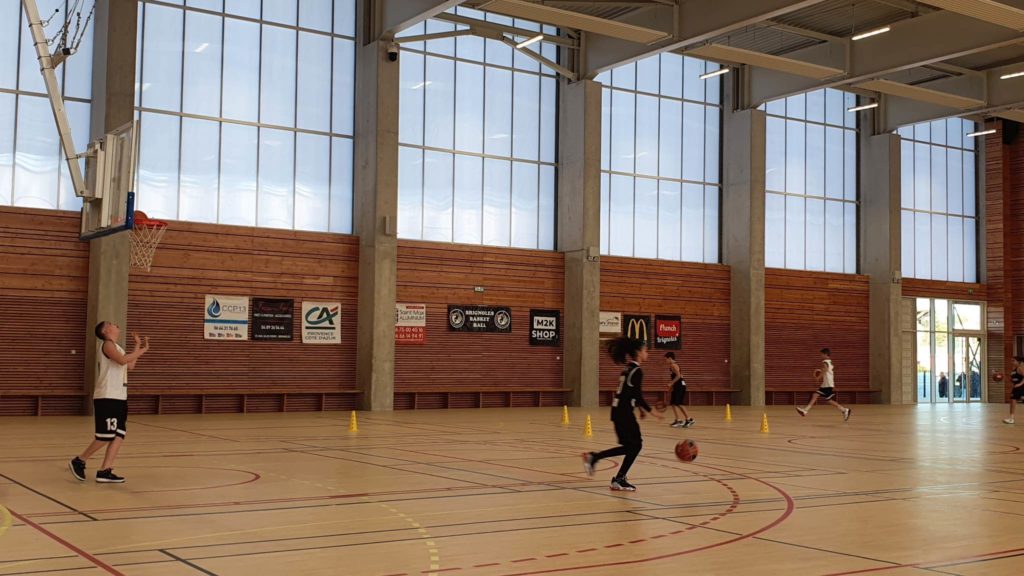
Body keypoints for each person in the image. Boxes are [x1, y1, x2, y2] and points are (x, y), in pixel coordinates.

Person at [69, 321, 150, 483]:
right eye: (112, 324)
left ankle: (105, 470)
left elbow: (130, 365)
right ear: (106, 330)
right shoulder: (107, 345)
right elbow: (122, 360)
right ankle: (79, 460)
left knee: (118, 435)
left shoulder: (117, 347)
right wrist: (143, 350)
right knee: (105, 436)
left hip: (119, 396)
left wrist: (138, 346)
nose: (116, 325)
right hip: (107, 396)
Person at [582, 337, 662, 491]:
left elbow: (629, 392)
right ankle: (618, 478)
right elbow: (637, 395)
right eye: (645, 351)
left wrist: (639, 410)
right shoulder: (637, 371)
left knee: (630, 447)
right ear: (638, 352)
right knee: (636, 445)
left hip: (618, 411)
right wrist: (652, 412)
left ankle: (596, 458)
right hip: (624, 413)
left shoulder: (627, 369)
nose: (647, 354)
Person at [796, 347, 851, 421]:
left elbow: (825, 370)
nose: (821, 356)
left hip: (827, 384)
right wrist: (821, 371)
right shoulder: (830, 362)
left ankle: (844, 410)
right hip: (827, 384)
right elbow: (827, 370)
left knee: (821, 397)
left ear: (825, 354)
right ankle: (844, 410)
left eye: (821, 354)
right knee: (821, 397)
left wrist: (818, 377)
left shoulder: (825, 361)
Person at [664, 352, 693, 428]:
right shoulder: (672, 365)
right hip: (677, 386)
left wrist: (671, 383)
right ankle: (678, 420)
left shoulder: (673, 365)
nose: (665, 361)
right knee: (673, 403)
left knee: (679, 403)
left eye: (666, 359)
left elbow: (678, 376)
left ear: (670, 358)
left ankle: (689, 419)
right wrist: (671, 387)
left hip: (680, 386)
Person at [1003, 356, 1024, 425]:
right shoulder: (1013, 370)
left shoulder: (1020, 368)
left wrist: (1019, 384)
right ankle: (1011, 419)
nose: (1012, 362)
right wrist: (1004, 377)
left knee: (1013, 401)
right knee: (1012, 401)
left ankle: (1011, 419)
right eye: (1012, 361)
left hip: (1021, 387)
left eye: (1013, 361)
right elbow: (1012, 380)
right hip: (1016, 388)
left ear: (1018, 362)